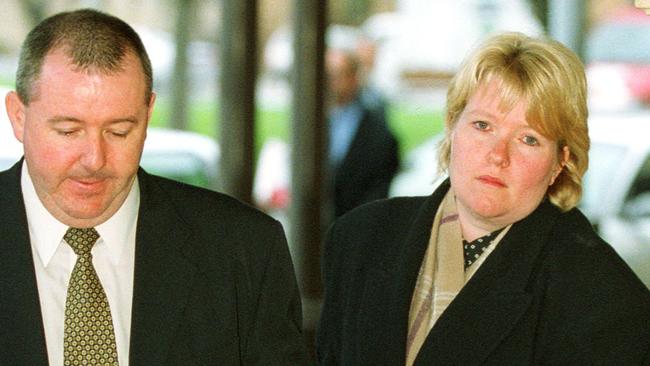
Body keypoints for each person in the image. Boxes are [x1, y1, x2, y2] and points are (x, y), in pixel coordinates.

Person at [316, 32, 650, 365]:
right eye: (482, 125)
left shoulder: (603, 294)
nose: (498, 155)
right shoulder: (358, 239)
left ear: (559, 162)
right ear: (452, 127)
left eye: (529, 139)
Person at [0, 9, 310, 365]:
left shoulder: (243, 250)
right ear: (18, 117)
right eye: (69, 131)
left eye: (119, 131)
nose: (94, 159)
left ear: (147, 117)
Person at [326, 47, 399, 219]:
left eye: (336, 74)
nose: (330, 81)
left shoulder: (377, 131)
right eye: (326, 75)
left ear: (353, 78)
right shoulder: (311, 122)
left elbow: (378, 187)